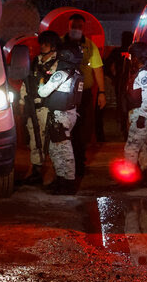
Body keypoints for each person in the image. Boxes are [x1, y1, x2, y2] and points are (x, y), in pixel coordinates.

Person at [62, 13, 106, 179]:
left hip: (83, 95)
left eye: (79, 26)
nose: (76, 29)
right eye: (73, 25)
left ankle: (79, 162)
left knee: (81, 130)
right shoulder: (60, 43)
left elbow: (98, 69)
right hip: (63, 95)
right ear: (68, 26)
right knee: (64, 129)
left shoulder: (89, 45)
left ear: (84, 28)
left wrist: (101, 92)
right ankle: (65, 164)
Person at [37, 44, 84, 195]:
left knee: (63, 150)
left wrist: (42, 81)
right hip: (70, 114)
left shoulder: (61, 74)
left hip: (60, 116)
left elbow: (43, 93)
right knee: (56, 149)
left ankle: (68, 182)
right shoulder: (77, 73)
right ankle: (61, 179)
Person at [18, 31, 61, 185]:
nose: (42, 47)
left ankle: (52, 170)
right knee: (34, 138)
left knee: (50, 140)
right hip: (33, 106)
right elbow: (26, 82)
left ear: (53, 46)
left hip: (49, 107)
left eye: (46, 44)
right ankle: (35, 169)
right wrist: (22, 102)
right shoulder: (35, 62)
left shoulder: (58, 63)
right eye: (41, 43)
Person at [123, 42, 147, 177]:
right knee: (142, 146)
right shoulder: (142, 72)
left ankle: (128, 178)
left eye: (131, 56)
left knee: (131, 147)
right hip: (140, 114)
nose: (130, 60)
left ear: (136, 58)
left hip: (142, 114)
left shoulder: (144, 74)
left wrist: (142, 117)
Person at [104, 30, 134, 140]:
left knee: (123, 107)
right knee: (126, 107)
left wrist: (113, 78)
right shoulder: (132, 52)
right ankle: (126, 131)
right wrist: (114, 78)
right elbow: (106, 66)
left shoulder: (120, 51)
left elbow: (106, 66)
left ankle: (125, 130)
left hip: (123, 84)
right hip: (125, 84)